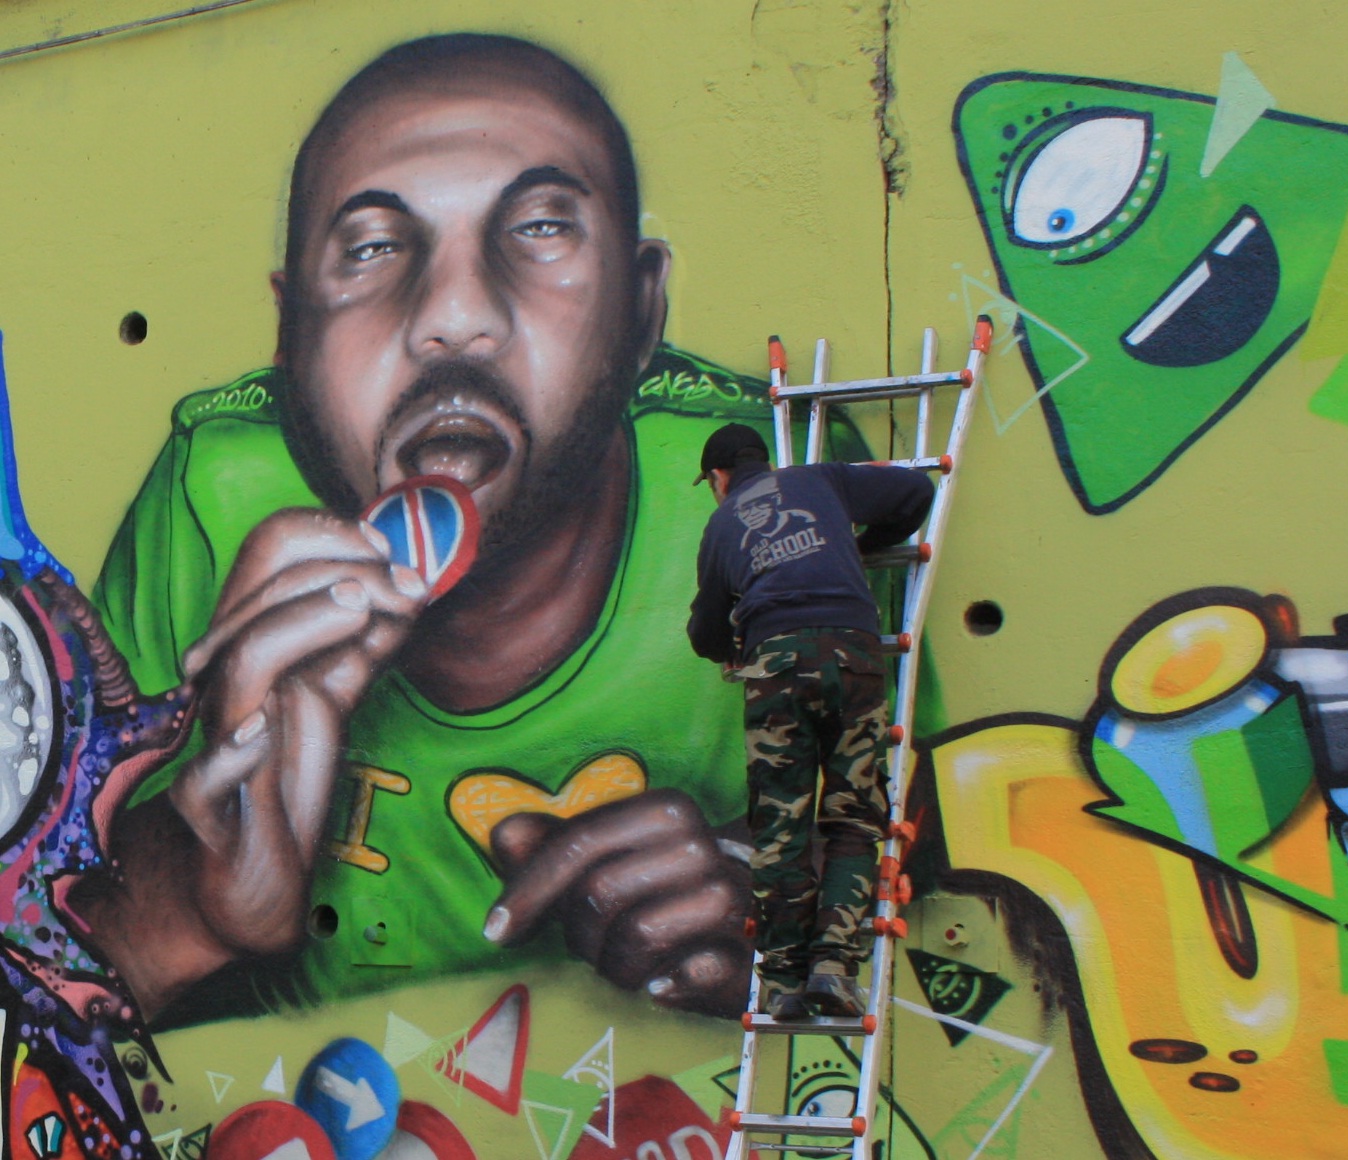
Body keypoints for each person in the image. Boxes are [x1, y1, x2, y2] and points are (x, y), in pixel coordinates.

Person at [77, 33, 864, 1025]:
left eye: (539, 229)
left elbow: (953, 883)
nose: (453, 316)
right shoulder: (215, 495)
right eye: (371, 246)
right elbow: (34, 968)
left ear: (639, 311)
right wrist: (207, 892)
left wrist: (773, 902)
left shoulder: (765, 494)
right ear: (290, 335)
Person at [687, 423, 933, 1018]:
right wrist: (867, 545)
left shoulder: (721, 525)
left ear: (719, 477)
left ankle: (783, 982)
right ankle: (833, 970)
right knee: (854, 816)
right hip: (854, 654)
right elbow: (915, 493)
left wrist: (732, 645)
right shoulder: (820, 481)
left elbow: (704, 633)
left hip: (776, 667)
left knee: (781, 824)